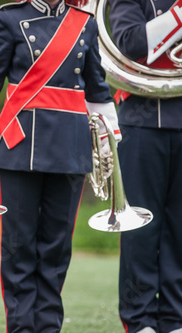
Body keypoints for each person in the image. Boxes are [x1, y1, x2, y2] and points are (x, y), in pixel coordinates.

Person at [0, 0, 121, 331]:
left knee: (56, 246)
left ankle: (48, 325)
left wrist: (110, 131)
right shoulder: (8, 17)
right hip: (21, 143)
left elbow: (95, 86)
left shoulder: (84, 22)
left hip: (70, 145)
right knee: (19, 246)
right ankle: (22, 326)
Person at [109, 1, 182, 332]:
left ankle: (174, 317)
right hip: (142, 118)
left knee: (179, 228)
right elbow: (130, 43)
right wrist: (177, 16)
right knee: (140, 227)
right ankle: (139, 319)